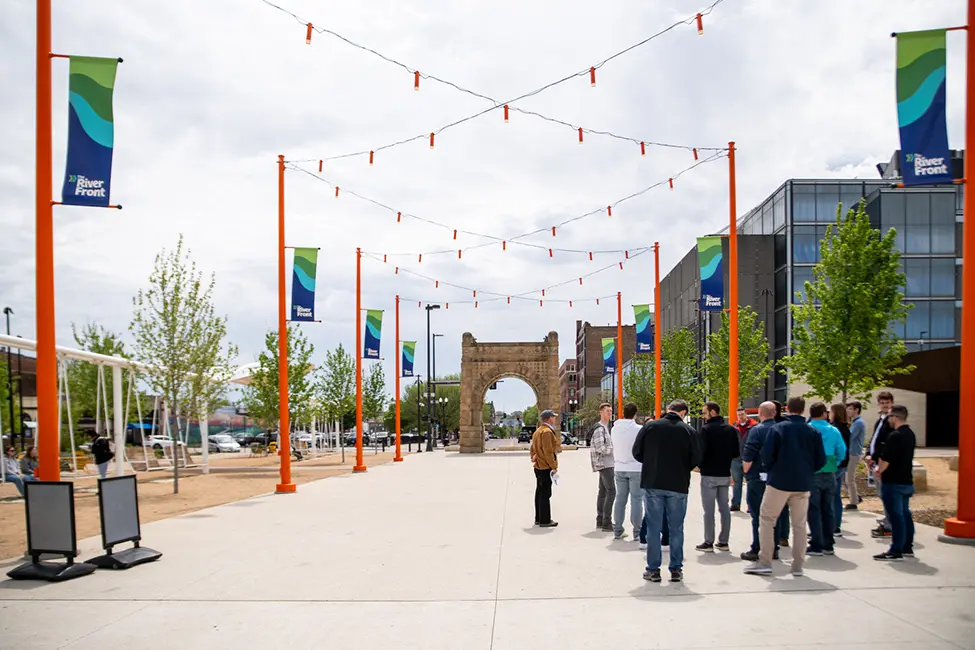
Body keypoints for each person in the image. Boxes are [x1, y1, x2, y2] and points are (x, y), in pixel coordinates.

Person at [744, 397, 826, 577]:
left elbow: (767, 455)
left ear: (788, 409)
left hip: (779, 482)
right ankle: (797, 565)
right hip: (803, 483)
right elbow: (821, 460)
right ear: (803, 409)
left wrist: (772, 468)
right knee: (799, 525)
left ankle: (765, 561)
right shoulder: (812, 431)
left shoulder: (778, 429)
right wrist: (806, 470)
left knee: (767, 520)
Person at [633, 400, 703, 584]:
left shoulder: (650, 427)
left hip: (653, 482)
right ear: (683, 413)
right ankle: (676, 569)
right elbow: (696, 458)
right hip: (678, 484)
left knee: (654, 529)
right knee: (676, 528)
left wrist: (651, 461)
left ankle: (653, 570)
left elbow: (637, 452)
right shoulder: (688, 431)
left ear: (668, 410)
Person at [874, 404, 916, 561]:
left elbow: (886, 460)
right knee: (905, 514)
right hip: (906, 480)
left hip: (893, 482)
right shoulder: (910, 434)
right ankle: (907, 546)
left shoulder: (894, 436)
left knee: (896, 516)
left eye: (890, 417)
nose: (888, 420)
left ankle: (896, 549)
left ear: (895, 417)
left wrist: (879, 470)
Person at [696, 402, 739, 553]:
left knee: (709, 510)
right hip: (724, 473)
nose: (703, 416)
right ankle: (724, 541)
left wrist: (701, 465)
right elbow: (735, 453)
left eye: (705, 412)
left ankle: (709, 541)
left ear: (712, 412)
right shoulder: (731, 430)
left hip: (709, 473)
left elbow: (700, 452)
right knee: (724, 508)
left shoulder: (705, 430)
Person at [739, 401, 780, 562]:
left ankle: (758, 547)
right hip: (777, 479)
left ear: (760, 413)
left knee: (758, 515)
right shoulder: (781, 429)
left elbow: (749, 453)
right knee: (774, 515)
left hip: (758, 477)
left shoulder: (757, 431)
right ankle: (774, 547)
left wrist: (746, 471)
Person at [806, 402, 846, 557]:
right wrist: (834, 464)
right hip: (829, 472)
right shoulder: (833, 430)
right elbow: (842, 452)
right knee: (828, 508)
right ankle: (828, 544)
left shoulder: (807, 430)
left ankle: (816, 543)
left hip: (812, 472)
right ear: (824, 413)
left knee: (814, 509)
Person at [611, 402, 643, 543]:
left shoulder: (614, 428)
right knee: (636, 500)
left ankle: (618, 530)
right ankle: (637, 532)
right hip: (636, 467)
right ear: (635, 414)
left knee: (620, 500)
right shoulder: (639, 429)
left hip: (619, 467)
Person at [866, 391, 895, 538]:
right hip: (874, 461)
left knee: (886, 493)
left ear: (892, 403)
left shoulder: (891, 421)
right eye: (882, 403)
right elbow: (875, 438)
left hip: (882, 462)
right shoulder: (880, 420)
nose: (885, 405)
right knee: (880, 492)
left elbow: (887, 443)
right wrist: (868, 454)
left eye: (887, 403)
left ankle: (890, 524)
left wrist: (876, 456)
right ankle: (888, 519)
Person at [529, 410, 561, 528]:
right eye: (554, 417)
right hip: (545, 467)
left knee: (540, 493)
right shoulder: (547, 432)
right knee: (545, 494)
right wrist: (554, 466)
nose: (555, 419)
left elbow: (532, 449)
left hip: (538, 466)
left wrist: (533, 458)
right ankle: (545, 520)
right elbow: (548, 451)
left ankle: (539, 518)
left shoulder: (538, 431)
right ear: (549, 418)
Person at [589, 403, 616, 533]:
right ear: (601, 412)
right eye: (607, 411)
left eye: (611, 411)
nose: (609, 413)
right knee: (612, 491)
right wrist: (612, 449)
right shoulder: (600, 429)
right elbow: (601, 448)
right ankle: (606, 522)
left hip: (605, 464)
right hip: (605, 464)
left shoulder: (605, 427)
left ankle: (600, 520)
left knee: (603, 492)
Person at [829, 404, 852, 536]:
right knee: (836, 495)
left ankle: (831, 525)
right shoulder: (845, 428)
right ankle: (836, 525)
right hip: (843, 463)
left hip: (834, 462)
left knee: (830, 495)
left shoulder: (834, 428)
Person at [731, 406, 753, 511]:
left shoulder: (754, 426)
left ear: (746, 414)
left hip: (749, 458)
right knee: (736, 482)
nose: (740, 417)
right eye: (738, 415)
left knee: (750, 482)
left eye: (742, 414)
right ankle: (735, 504)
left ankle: (750, 505)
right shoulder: (734, 427)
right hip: (736, 458)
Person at [845, 401, 866, 511]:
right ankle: (856, 497)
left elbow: (850, 437)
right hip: (852, 452)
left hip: (853, 453)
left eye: (850, 409)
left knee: (850, 478)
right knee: (847, 478)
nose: (848, 411)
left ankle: (854, 502)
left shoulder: (858, 423)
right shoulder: (855, 422)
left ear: (856, 410)